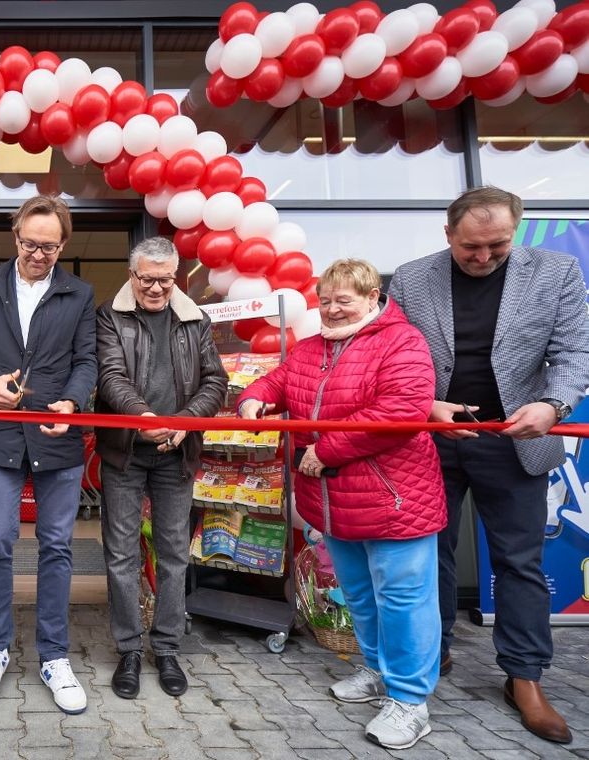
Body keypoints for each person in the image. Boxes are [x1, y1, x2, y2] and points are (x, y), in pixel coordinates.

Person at [389, 187, 589, 745]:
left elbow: (576, 353)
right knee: (429, 549)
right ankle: (435, 652)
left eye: (497, 245)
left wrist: (551, 406)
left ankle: (524, 678)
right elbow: (396, 352)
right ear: (448, 235)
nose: (482, 258)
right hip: (434, 437)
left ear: (516, 231)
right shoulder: (410, 277)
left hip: (515, 437)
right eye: (470, 247)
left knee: (520, 561)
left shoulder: (558, 271)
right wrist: (425, 404)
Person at [239, 259, 446, 751]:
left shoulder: (402, 341)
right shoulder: (313, 347)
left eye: (343, 300)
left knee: (404, 600)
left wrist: (325, 449)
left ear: (373, 297)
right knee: (361, 596)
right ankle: (376, 673)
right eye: (325, 300)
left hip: (394, 498)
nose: (331, 310)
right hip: (334, 503)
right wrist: (254, 396)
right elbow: (281, 381)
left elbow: (401, 410)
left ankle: (411, 702)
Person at [0, 194, 97, 714]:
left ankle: (54, 657)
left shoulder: (79, 294)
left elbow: (86, 358)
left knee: (57, 545)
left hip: (56, 435)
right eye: (30, 243)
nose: (39, 254)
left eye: (50, 246)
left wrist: (75, 400)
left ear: (63, 245)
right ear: (15, 236)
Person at [94, 237, 227, 699]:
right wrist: (144, 418)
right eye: (147, 278)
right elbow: (109, 376)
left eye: (165, 279)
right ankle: (129, 648)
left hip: (178, 450)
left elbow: (216, 380)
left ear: (177, 276)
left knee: (174, 553)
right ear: (132, 275)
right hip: (126, 452)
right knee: (121, 554)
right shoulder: (109, 317)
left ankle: (167, 647)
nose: (156, 288)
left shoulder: (196, 319)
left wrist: (182, 425)